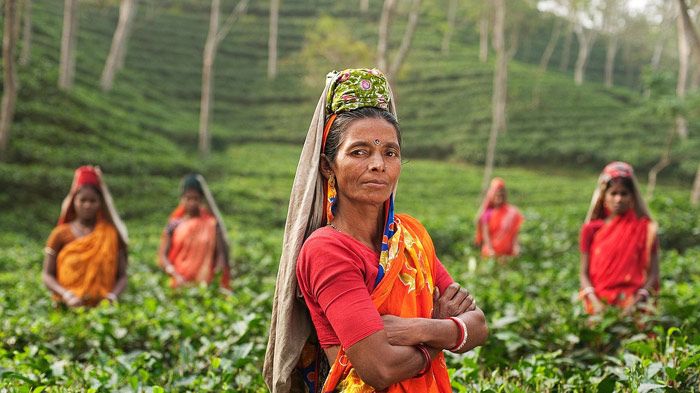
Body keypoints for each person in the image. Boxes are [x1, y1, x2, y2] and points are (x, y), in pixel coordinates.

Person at [264, 69, 488, 393]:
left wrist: (413, 329)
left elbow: (479, 325)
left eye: (390, 152)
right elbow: (380, 368)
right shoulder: (327, 250)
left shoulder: (410, 235)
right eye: (359, 152)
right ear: (329, 166)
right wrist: (442, 334)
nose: (378, 165)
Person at [579, 161, 659, 315]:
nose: (618, 199)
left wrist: (635, 303)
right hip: (598, 305)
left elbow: (653, 274)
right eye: (613, 193)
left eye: (624, 193)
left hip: (634, 305)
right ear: (604, 196)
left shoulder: (646, 228)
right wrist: (595, 303)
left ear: (632, 196)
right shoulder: (591, 230)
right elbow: (583, 273)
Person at [42, 166, 129, 307]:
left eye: (92, 201)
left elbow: (122, 276)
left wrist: (112, 297)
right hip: (66, 306)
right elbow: (47, 275)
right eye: (82, 200)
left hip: (103, 310)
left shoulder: (111, 234)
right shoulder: (59, 234)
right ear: (74, 201)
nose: (87, 205)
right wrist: (66, 295)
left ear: (100, 203)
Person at [158, 174, 231, 290]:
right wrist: (173, 273)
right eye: (188, 198)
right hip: (177, 283)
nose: (192, 203)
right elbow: (162, 255)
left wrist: (217, 275)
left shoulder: (212, 224)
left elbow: (221, 254)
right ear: (182, 199)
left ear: (201, 200)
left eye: (195, 199)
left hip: (205, 285)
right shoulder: (174, 225)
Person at [474, 177, 523, 261]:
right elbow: (486, 236)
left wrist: (516, 247)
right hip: (491, 254)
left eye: (501, 195)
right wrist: (491, 251)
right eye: (496, 195)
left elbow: (515, 234)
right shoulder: (487, 213)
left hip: (508, 255)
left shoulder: (511, 212)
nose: (498, 197)